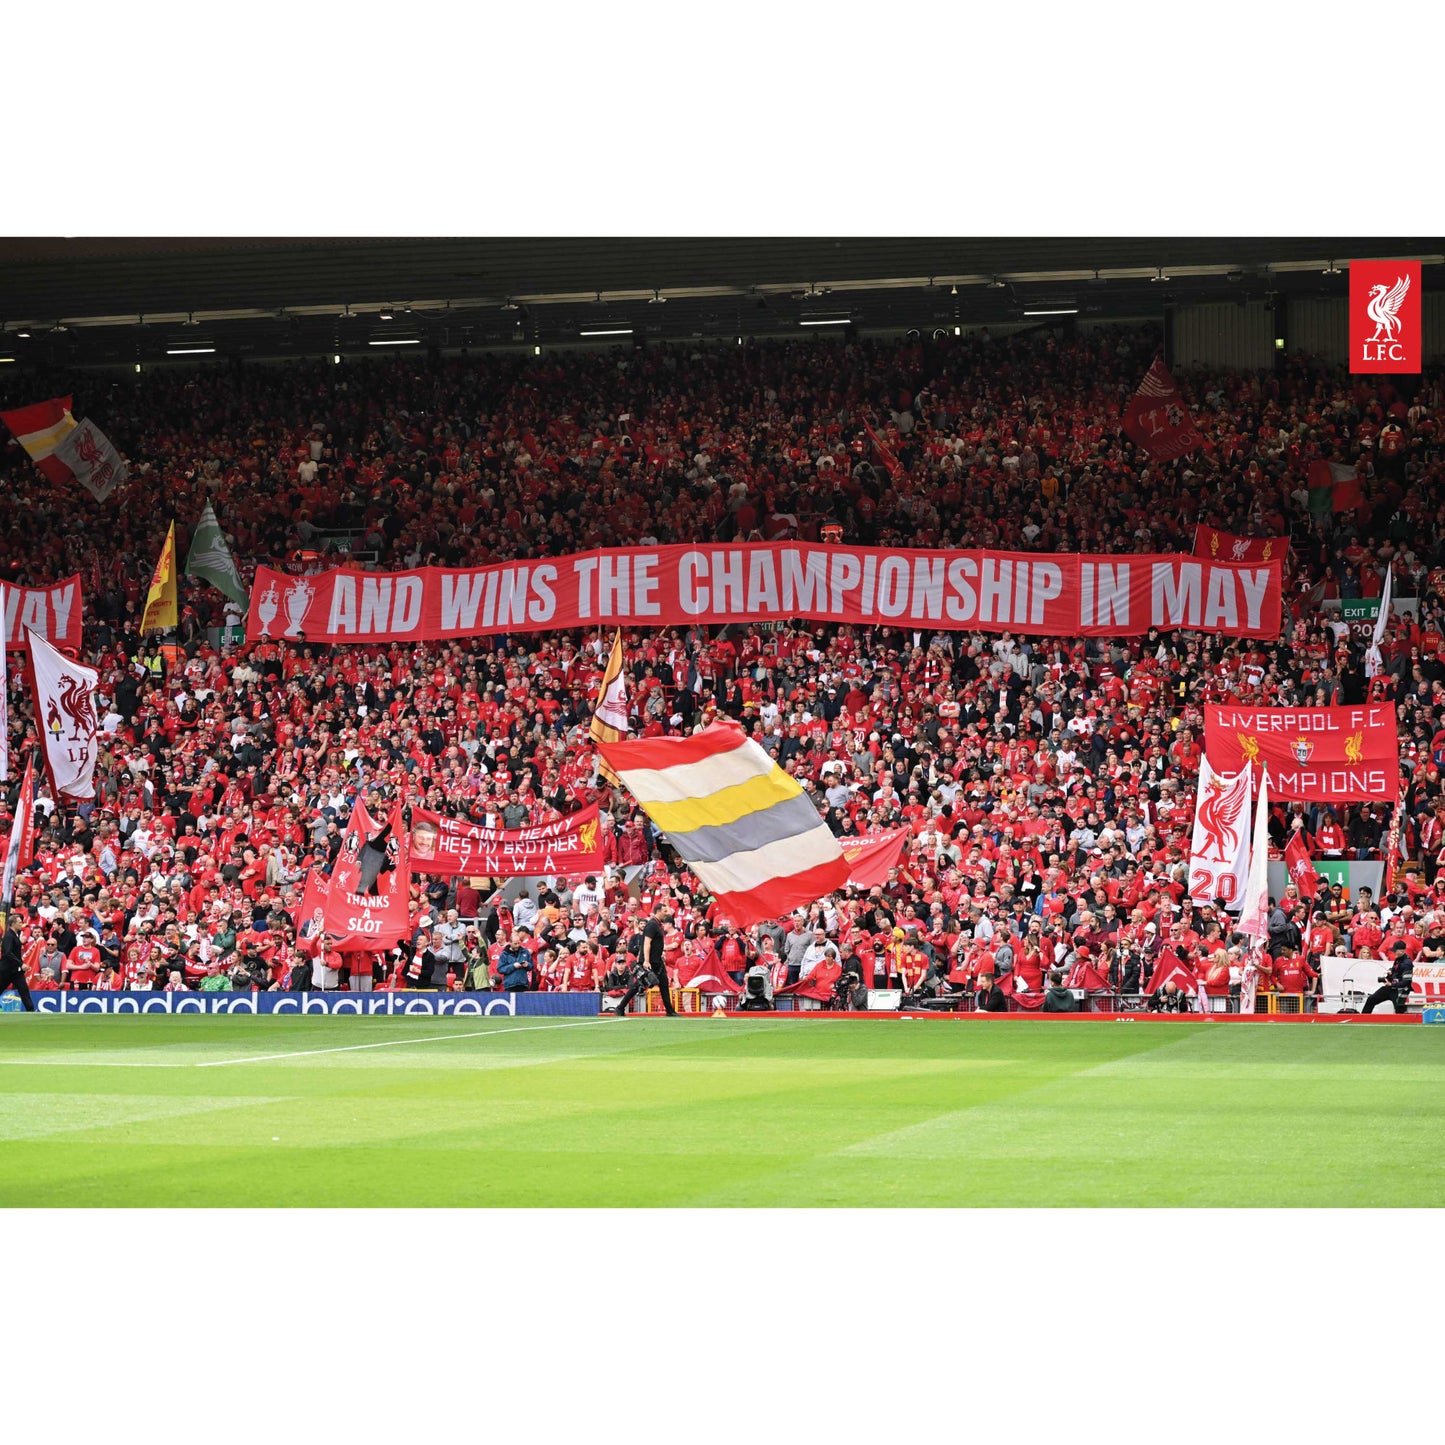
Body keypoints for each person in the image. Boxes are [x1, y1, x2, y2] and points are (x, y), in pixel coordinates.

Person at [610, 903, 677, 1016]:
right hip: (651, 962)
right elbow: (647, 943)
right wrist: (646, 960)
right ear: (658, 911)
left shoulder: (656, 924)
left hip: (657, 961)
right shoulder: (652, 925)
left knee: (664, 984)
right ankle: (620, 1007)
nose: (666, 914)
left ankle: (670, 1011)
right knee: (639, 985)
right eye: (664, 911)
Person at [1362, 941, 1415, 1014]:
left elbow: (1406, 982)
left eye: (1395, 951)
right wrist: (1391, 971)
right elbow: (1395, 970)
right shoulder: (1398, 959)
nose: (1394, 952)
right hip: (1391, 987)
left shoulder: (1407, 963)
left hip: (1400, 990)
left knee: (1399, 1010)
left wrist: (1391, 984)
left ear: (1401, 951)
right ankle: (1363, 1019)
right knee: (1371, 999)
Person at [0, 912, 36, 1012]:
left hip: (15, 970)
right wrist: (21, 964)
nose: (22, 924)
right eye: (19, 922)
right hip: (6, 970)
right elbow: (7, 953)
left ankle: (31, 1010)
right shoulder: (9, 936)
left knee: (24, 990)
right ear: (13, 924)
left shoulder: (14, 935)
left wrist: (20, 965)